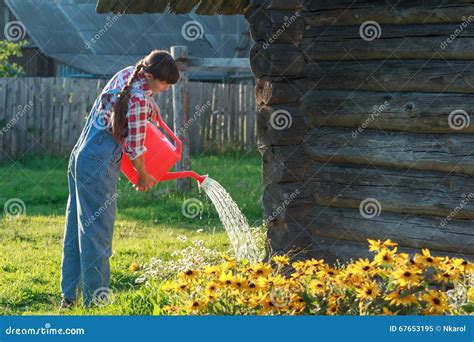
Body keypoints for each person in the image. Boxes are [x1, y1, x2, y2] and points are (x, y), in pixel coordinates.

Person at [60, 50, 179, 308]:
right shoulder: (137, 101)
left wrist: (151, 100)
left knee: (76, 230)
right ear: (148, 75)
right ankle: (96, 304)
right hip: (98, 165)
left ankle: (69, 298)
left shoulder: (128, 74)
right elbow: (135, 150)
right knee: (97, 235)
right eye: (163, 84)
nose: (165, 89)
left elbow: (132, 100)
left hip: (80, 157)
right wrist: (144, 177)